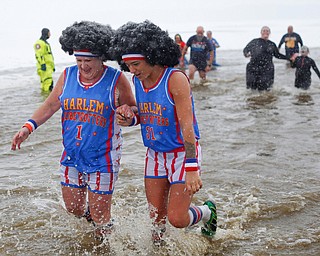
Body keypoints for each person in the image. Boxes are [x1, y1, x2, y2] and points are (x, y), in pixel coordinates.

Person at [11, 21, 136, 240]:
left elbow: (134, 109)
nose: (83, 66)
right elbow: (50, 105)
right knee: (74, 209)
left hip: (103, 159)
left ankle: (109, 242)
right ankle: (98, 220)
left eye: (88, 61)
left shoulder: (116, 79)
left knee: (100, 217)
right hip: (71, 156)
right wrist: (27, 127)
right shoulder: (68, 76)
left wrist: (129, 113)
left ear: (101, 58)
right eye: (79, 60)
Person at [110, 20, 217, 245]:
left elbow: (188, 125)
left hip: (182, 154)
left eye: (137, 64)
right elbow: (147, 114)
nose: (132, 70)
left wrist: (191, 167)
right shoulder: (138, 81)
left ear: (153, 56)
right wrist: (130, 118)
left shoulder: (175, 79)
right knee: (156, 222)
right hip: (155, 154)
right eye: (128, 65)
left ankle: (207, 212)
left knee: (177, 219)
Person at [243, 26, 288, 91]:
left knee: (266, 90)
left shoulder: (272, 44)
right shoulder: (254, 41)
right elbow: (246, 49)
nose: (265, 32)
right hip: (253, 67)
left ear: (269, 33)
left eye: (267, 31)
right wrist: (246, 54)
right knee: (251, 89)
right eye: (264, 30)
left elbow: (277, 55)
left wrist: (289, 58)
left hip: (267, 69)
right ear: (261, 32)